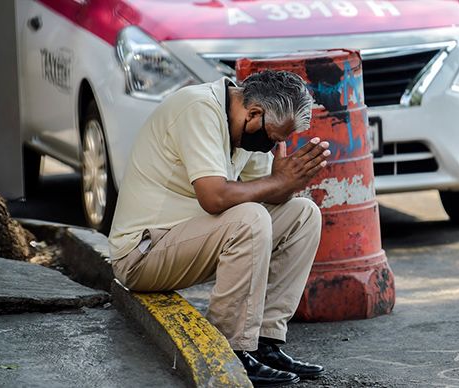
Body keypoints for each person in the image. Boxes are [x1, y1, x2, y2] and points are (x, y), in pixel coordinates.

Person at [108, 70, 330, 386]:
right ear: (255, 113)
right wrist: (276, 181)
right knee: (250, 218)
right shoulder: (198, 108)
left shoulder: (247, 128)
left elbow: (265, 191)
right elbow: (214, 197)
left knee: (303, 215)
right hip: (143, 253)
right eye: (275, 138)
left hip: (190, 242)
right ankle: (230, 349)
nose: (273, 147)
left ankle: (264, 343)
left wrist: (289, 181)